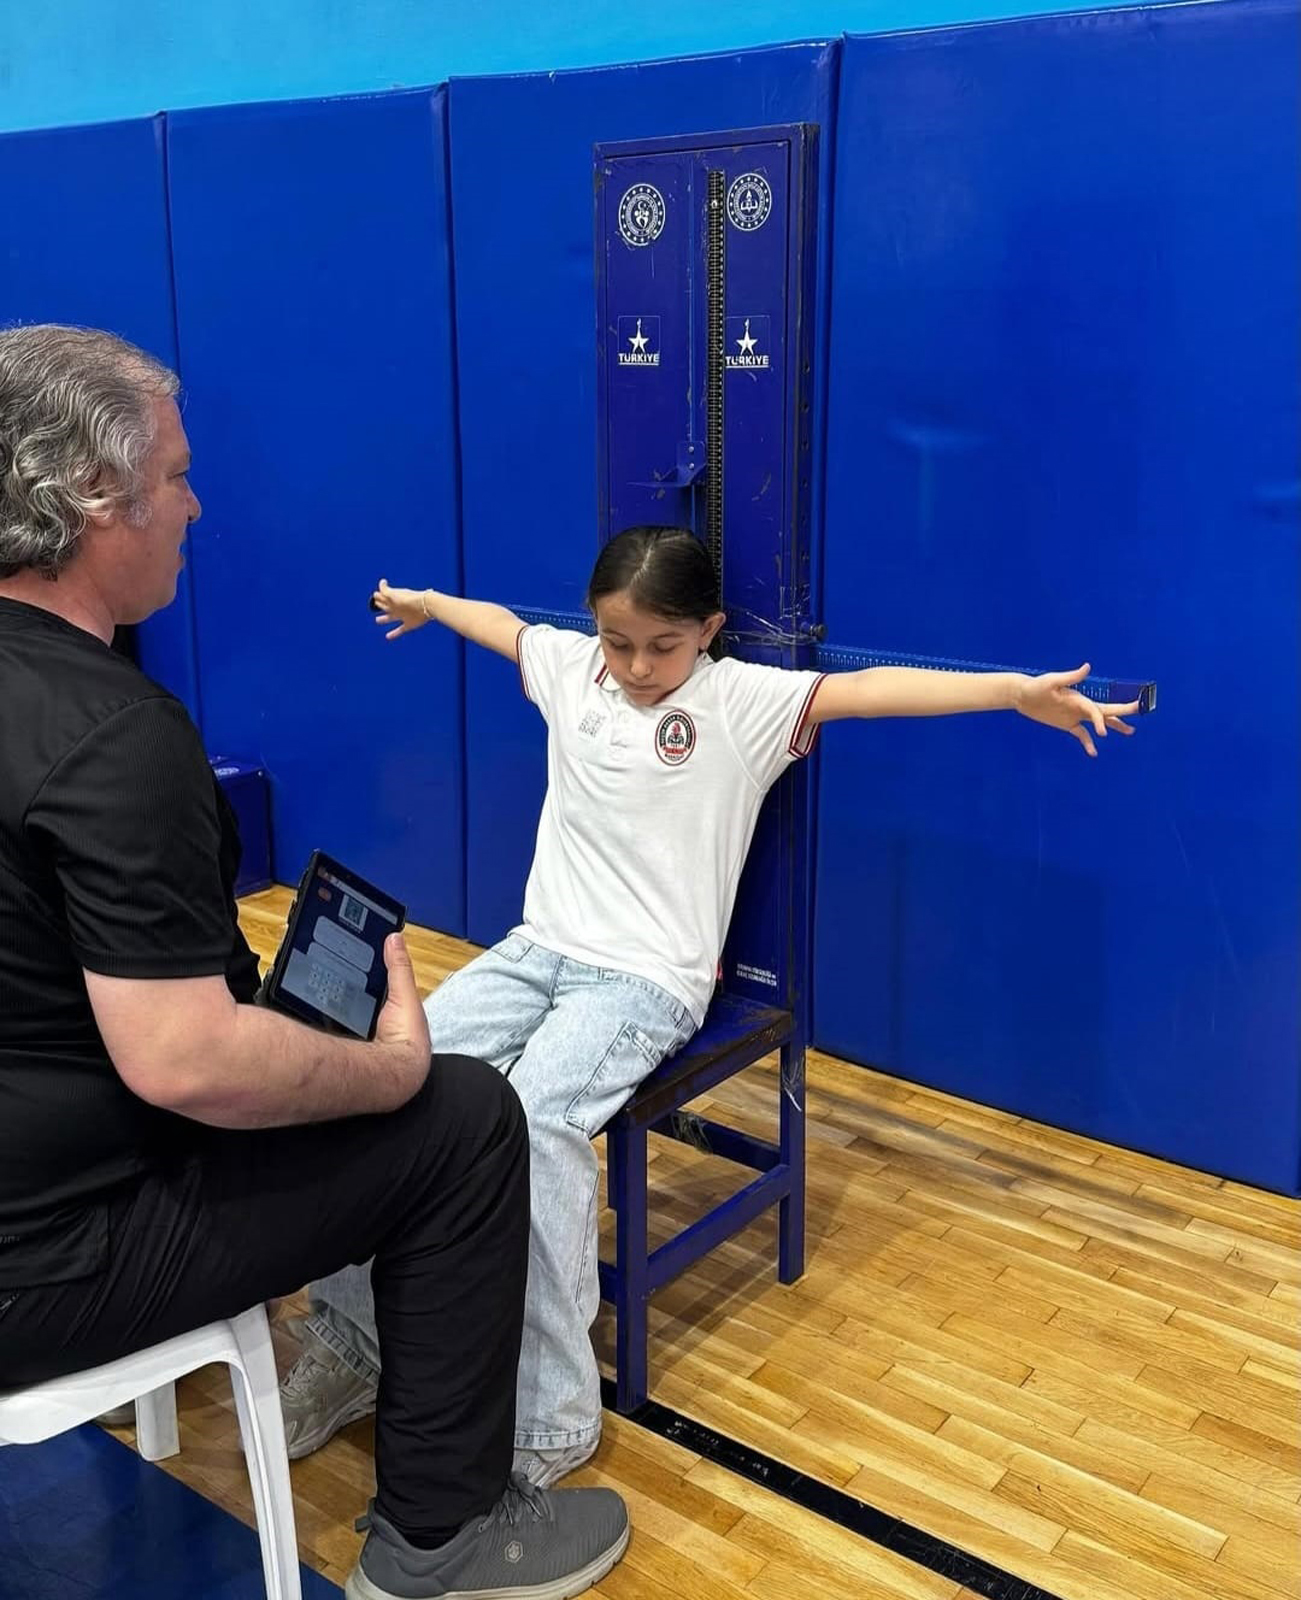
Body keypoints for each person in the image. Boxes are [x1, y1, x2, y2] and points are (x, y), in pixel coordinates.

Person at [281, 526, 1140, 1485]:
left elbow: (869, 691)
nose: (638, 667)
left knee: (532, 1123)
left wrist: (1014, 693)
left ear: (709, 630)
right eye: (618, 641)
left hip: (644, 981)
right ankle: (350, 1344)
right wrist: (428, 605)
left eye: (664, 645)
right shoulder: (570, 670)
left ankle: (550, 1417)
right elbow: (502, 628)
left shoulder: (740, 702)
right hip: (535, 951)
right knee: (382, 1077)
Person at [0, 323, 628, 1600]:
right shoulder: (112, 735)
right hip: (46, 1258)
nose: (195, 505)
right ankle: (442, 1536)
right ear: (94, 496)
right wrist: (389, 1069)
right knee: (461, 1115)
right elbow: (186, 1061)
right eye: (177, 475)